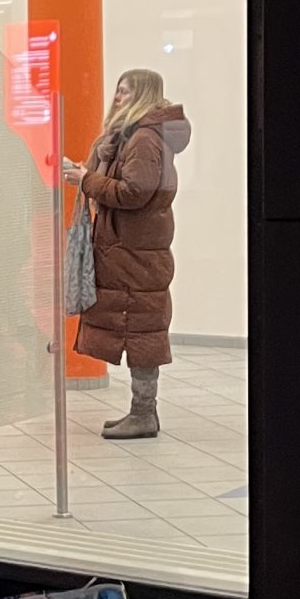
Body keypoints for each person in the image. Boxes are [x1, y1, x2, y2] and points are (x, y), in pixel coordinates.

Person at [63, 69, 192, 440]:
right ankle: (142, 412)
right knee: (137, 327)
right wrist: (89, 172)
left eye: (126, 92)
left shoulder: (144, 139)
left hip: (135, 254)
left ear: (143, 96)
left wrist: (87, 180)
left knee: (141, 331)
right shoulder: (131, 137)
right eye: (118, 90)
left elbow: (135, 192)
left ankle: (144, 414)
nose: (117, 98)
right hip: (131, 251)